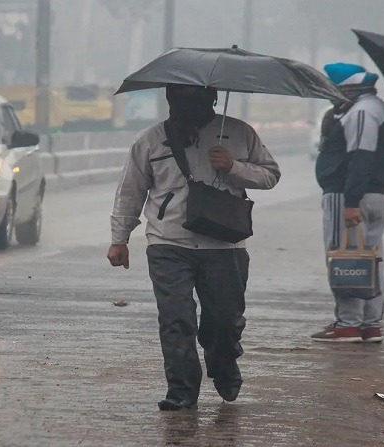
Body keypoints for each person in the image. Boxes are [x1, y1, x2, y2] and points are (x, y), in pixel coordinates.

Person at [107, 84, 280, 410]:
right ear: (169, 99)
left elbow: (270, 175)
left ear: (212, 99)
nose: (186, 104)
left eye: (194, 98)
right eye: (178, 97)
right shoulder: (150, 140)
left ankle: (223, 361)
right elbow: (130, 191)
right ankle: (182, 391)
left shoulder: (240, 133)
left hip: (225, 245)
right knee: (176, 320)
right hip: (168, 243)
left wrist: (233, 167)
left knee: (224, 321)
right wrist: (120, 238)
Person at [311, 63, 384, 343]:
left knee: (345, 257)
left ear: (347, 88)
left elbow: (361, 157)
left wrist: (351, 201)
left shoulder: (362, 112)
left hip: (350, 197)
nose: (331, 96)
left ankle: (348, 324)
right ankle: (370, 324)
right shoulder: (380, 109)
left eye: (333, 90)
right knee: (371, 260)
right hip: (374, 196)